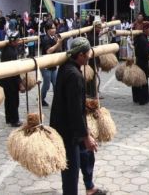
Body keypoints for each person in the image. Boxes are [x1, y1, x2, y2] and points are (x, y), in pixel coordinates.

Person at [50, 37, 106, 195]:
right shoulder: (75, 76)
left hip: (68, 126)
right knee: (71, 171)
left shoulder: (65, 67)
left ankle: (90, 188)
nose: (90, 55)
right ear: (81, 55)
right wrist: (85, 136)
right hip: (69, 131)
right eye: (88, 53)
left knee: (86, 155)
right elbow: (75, 110)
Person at [40, 21, 64, 107]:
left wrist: (59, 42)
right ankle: (41, 99)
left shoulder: (54, 37)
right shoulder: (45, 39)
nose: (54, 29)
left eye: (55, 28)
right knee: (46, 85)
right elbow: (48, 51)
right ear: (47, 30)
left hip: (53, 64)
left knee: (56, 83)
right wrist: (58, 43)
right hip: (46, 65)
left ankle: (57, 99)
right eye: (52, 28)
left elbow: (59, 49)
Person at [0, 35, 22, 127]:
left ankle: (8, 118)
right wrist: (20, 82)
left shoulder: (6, 48)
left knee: (8, 100)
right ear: (13, 41)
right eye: (17, 40)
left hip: (4, 80)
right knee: (14, 101)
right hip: (11, 81)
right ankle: (14, 120)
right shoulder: (12, 52)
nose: (18, 42)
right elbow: (14, 69)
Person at [132, 20, 149, 105]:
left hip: (138, 61)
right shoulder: (143, 39)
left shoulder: (138, 37)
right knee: (143, 81)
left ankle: (136, 98)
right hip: (143, 62)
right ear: (145, 29)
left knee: (137, 80)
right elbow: (146, 53)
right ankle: (143, 99)